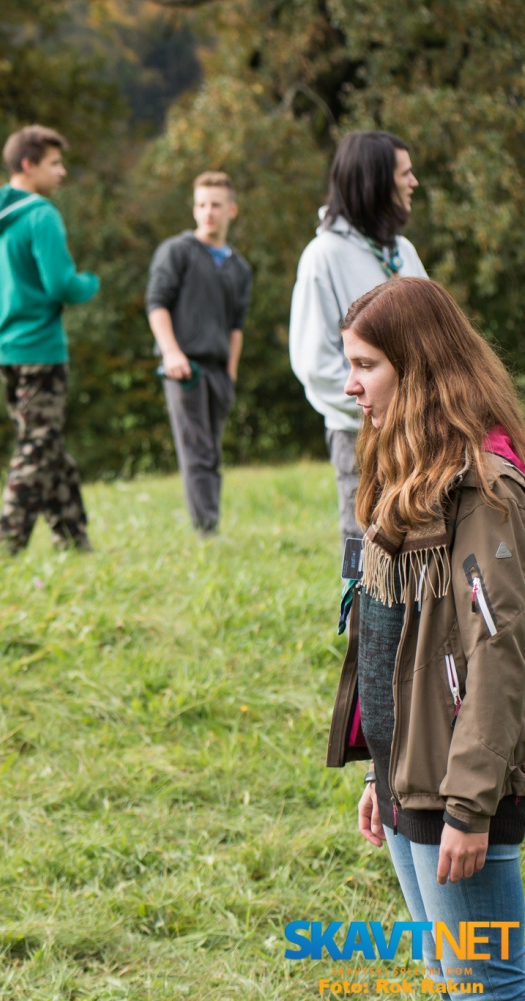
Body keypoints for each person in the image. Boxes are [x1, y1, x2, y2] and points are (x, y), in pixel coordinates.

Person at [327, 277, 525, 998]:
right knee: (449, 975)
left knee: (486, 984)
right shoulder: (406, 477)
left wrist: (469, 805)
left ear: (417, 368)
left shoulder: (482, 489)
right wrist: (381, 772)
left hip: (457, 790)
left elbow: (498, 651)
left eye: (366, 364)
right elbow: (392, 642)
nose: (350, 385)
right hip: (409, 780)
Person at [0, 124, 99, 553]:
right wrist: (90, 283)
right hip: (41, 349)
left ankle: (74, 540)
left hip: (2, 351)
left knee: (47, 444)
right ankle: (7, 542)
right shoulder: (42, 215)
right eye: (54, 163)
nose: (62, 172)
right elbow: (61, 285)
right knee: (36, 447)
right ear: (28, 165)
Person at [290, 130, 425, 545]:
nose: (414, 181)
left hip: (420, 429)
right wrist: (378, 411)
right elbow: (315, 364)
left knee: (422, 544)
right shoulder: (323, 256)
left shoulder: (403, 250)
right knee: (366, 546)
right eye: (404, 173)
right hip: (361, 435)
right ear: (376, 181)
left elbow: (431, 338)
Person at [145, 171, 252, 538]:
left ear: (231, 210)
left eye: (216, 205)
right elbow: (156, 304)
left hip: (219, 371)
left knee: (212, 452)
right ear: (194, 209)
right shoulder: (177, 251)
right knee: (197, 451)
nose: (208, 212)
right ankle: (207, 530)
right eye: (202, 204)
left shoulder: (239, 267)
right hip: (184, 368)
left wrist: (230, 374)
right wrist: (171, 354)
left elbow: (236, 327)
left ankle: (210, 524)